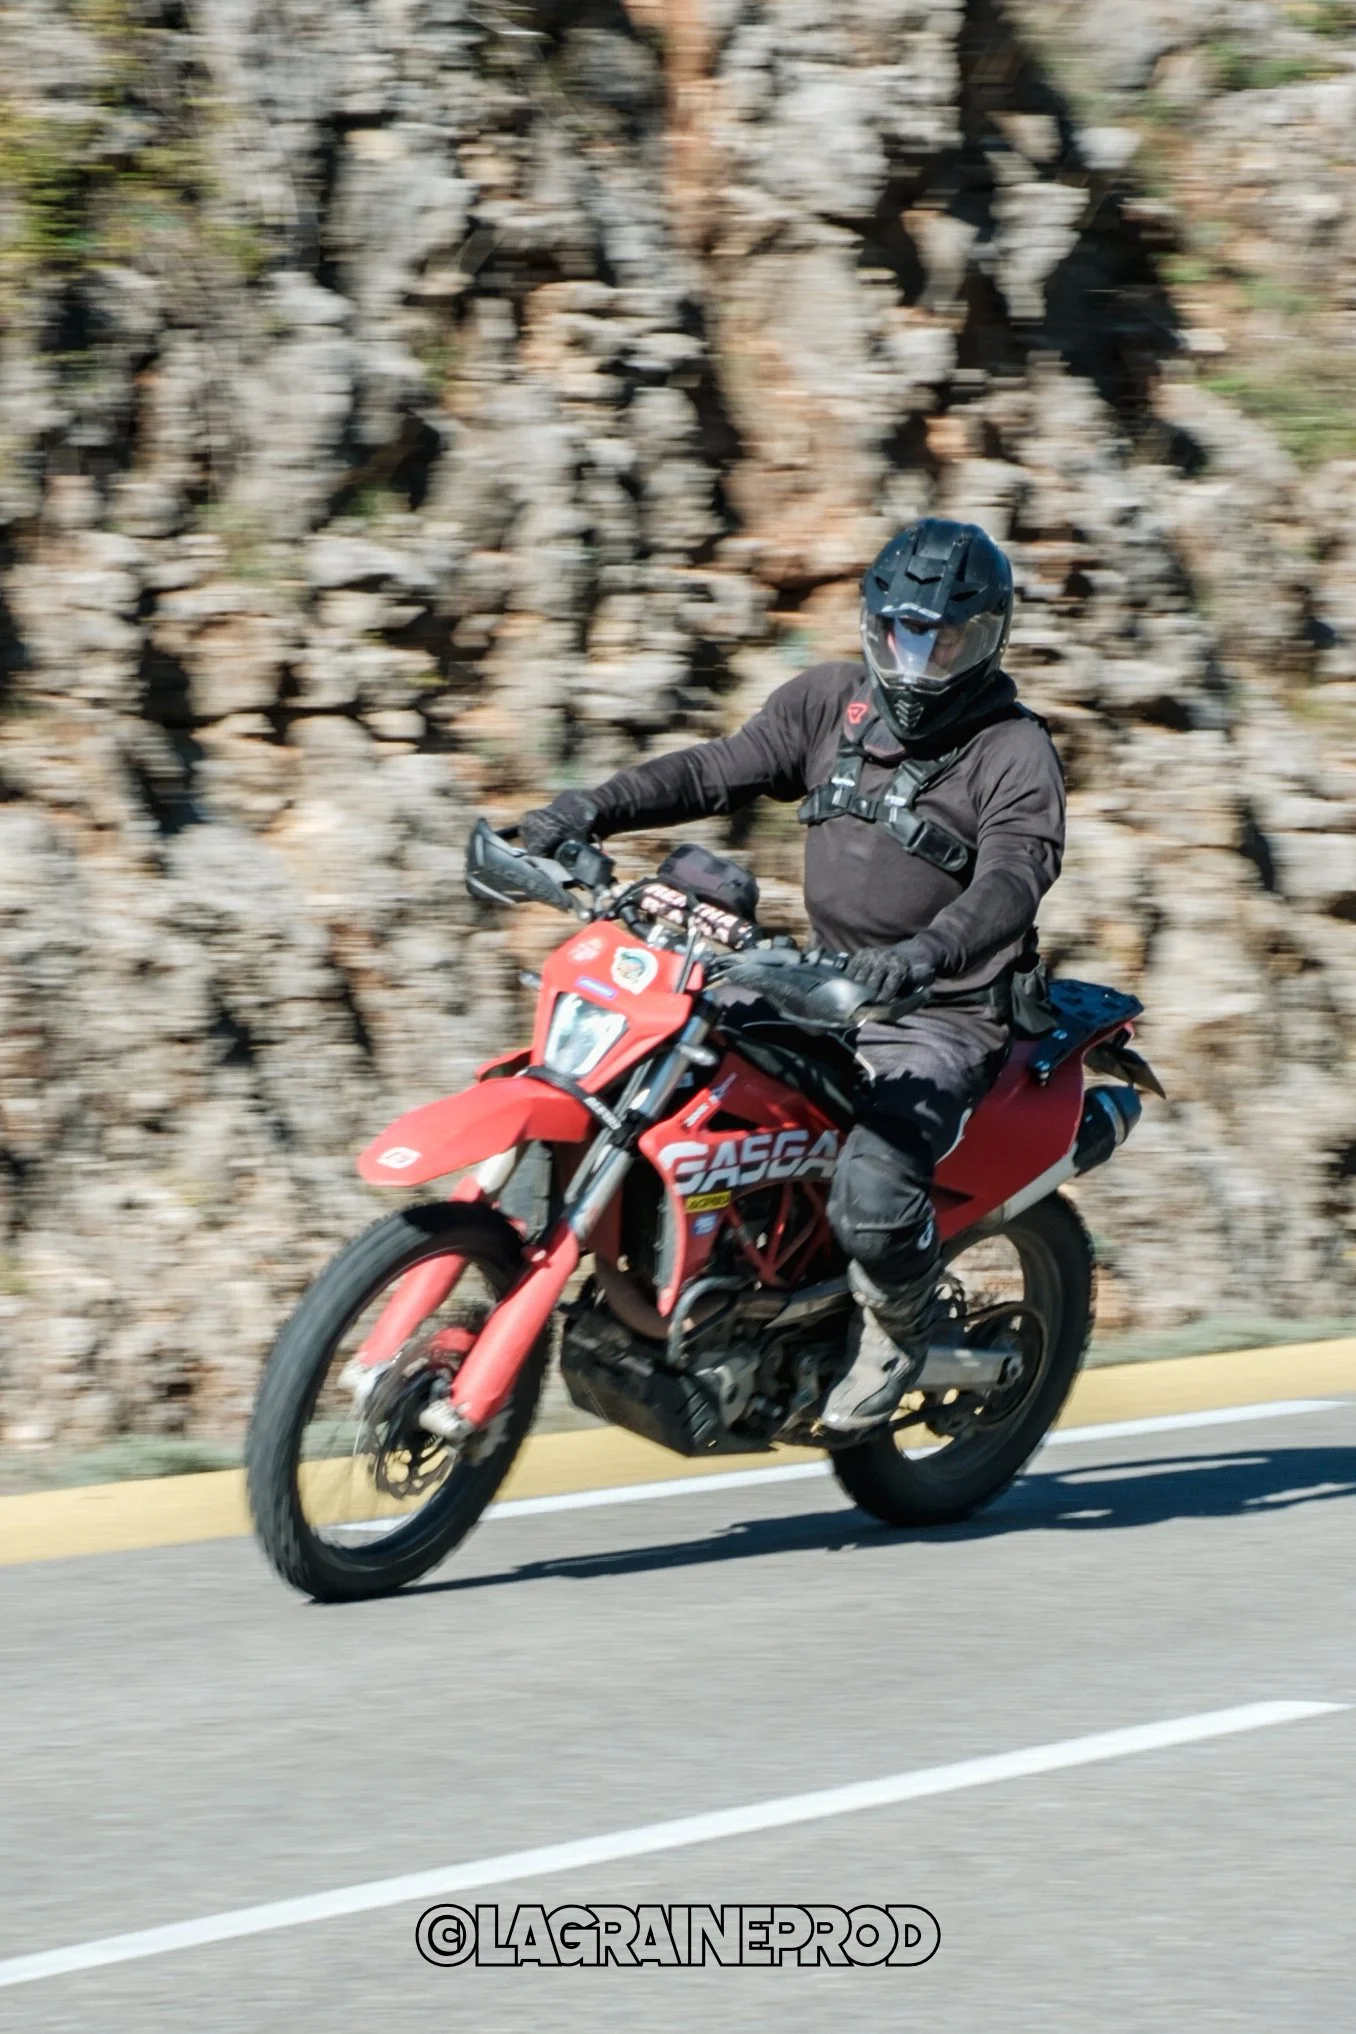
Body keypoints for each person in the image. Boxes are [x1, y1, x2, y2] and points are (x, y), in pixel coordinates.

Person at [518, 518, 1066, 1435]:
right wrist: (588, 809)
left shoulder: (1014, 753)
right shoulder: (830, 704)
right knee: (648, 1068)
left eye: (949, 640)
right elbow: (715, 771)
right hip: (814, 979)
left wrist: (921, 958)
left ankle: (904, 1327)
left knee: (875, 1185)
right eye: (904, 633)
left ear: (991, 638)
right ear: (874, 624)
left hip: (937, 1012)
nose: (921, 661)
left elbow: (1013, 879)